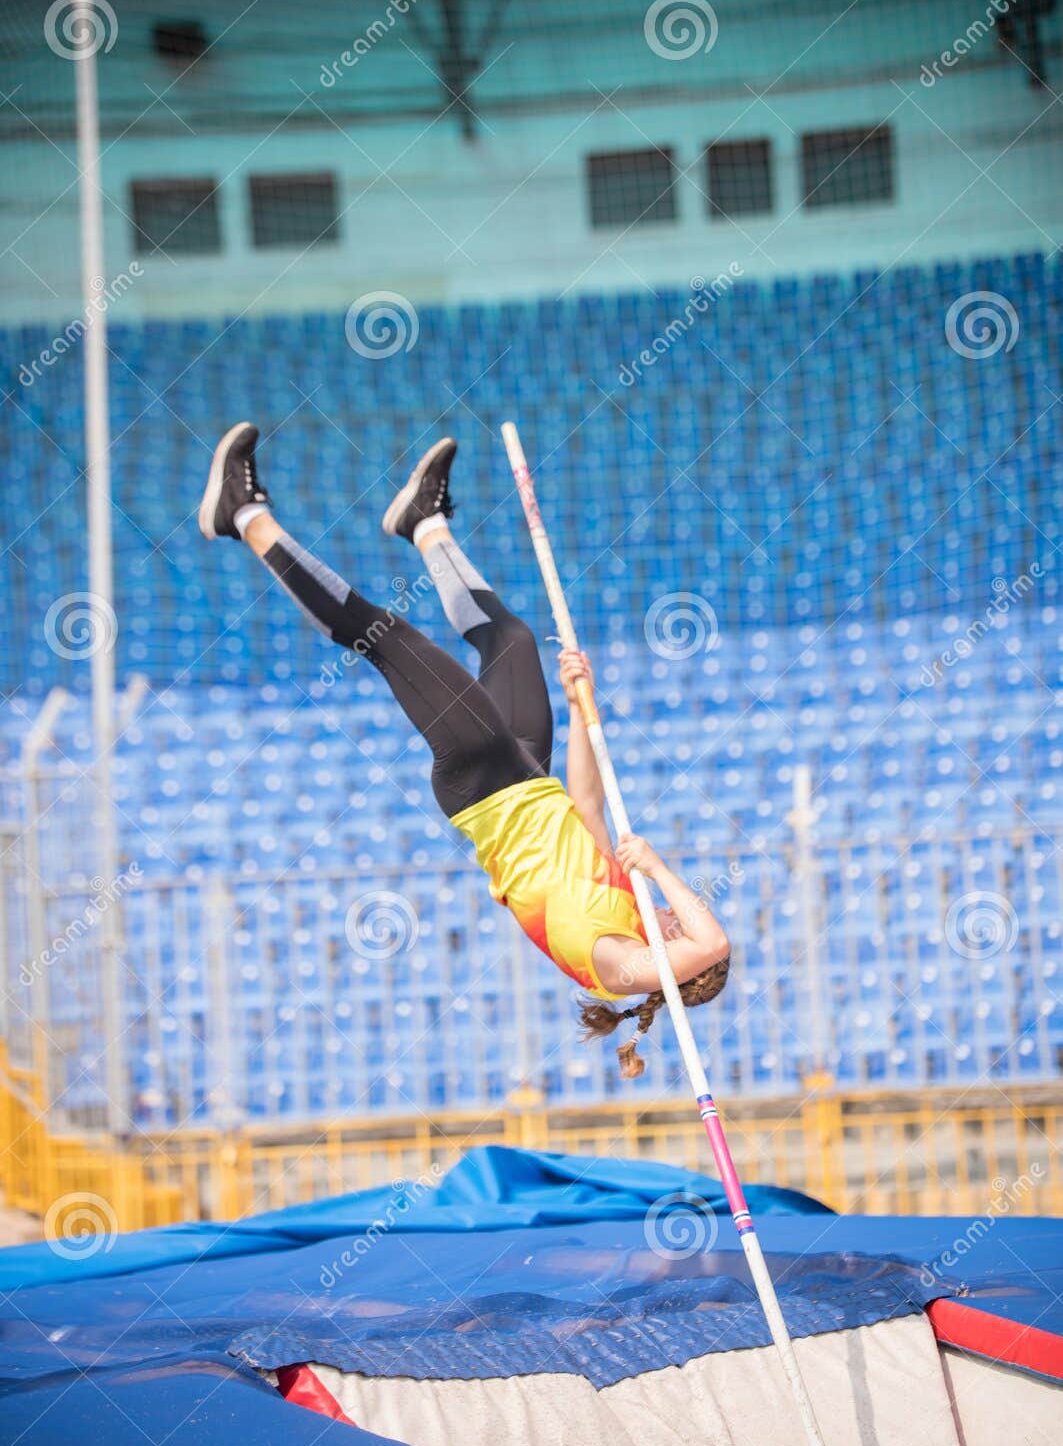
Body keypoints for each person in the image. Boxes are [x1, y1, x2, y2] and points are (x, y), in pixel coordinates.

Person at [198, 425, 730, 1075]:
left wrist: (658, 868)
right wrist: (580, 705)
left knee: (384, 637)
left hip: (487, 789)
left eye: (678, 929)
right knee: (510, 638)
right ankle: (423, 523)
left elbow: (712, 941)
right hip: (528, 778)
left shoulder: (617, 968)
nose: (677, 919)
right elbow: (585, 801)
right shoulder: (619, 900)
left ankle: (243, 517)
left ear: (675, 968)